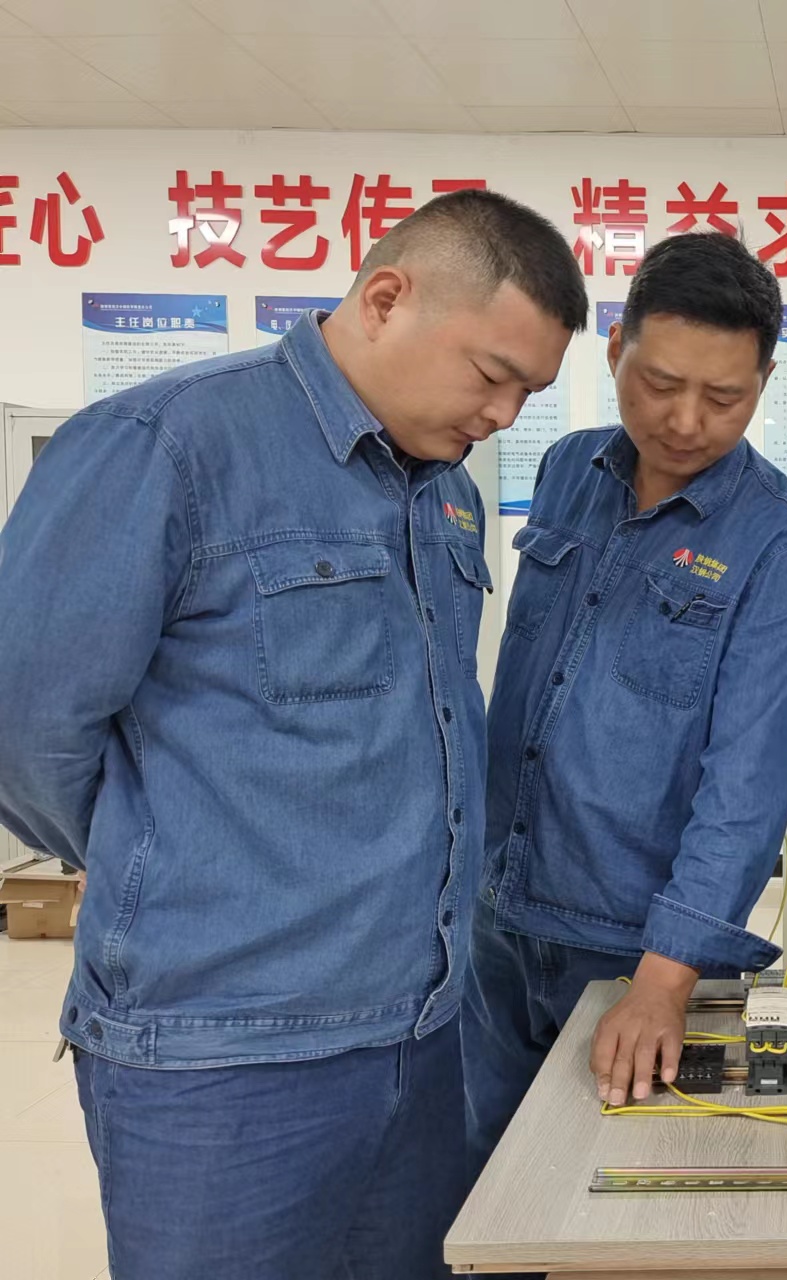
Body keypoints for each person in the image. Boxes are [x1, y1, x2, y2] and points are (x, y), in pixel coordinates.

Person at [0, 189, 584, 1279]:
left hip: (418, 1040)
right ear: (384, 297)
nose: (505, 413)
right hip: (223, 1057)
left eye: (530, 392)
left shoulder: (443, 495)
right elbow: (23, 721)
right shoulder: (169, 445)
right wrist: (158, 852)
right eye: (492, 374)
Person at [465, 230, 787, 1170]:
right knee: (478, 1182)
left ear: (765, 379)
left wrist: (666, 978)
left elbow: (744, 784)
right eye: (661, 383)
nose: (686, 421)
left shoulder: (776, 543)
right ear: (618, 343)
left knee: (599, 1198)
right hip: (493, 911)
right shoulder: (567, 471)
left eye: (725, 397)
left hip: (627, 946)